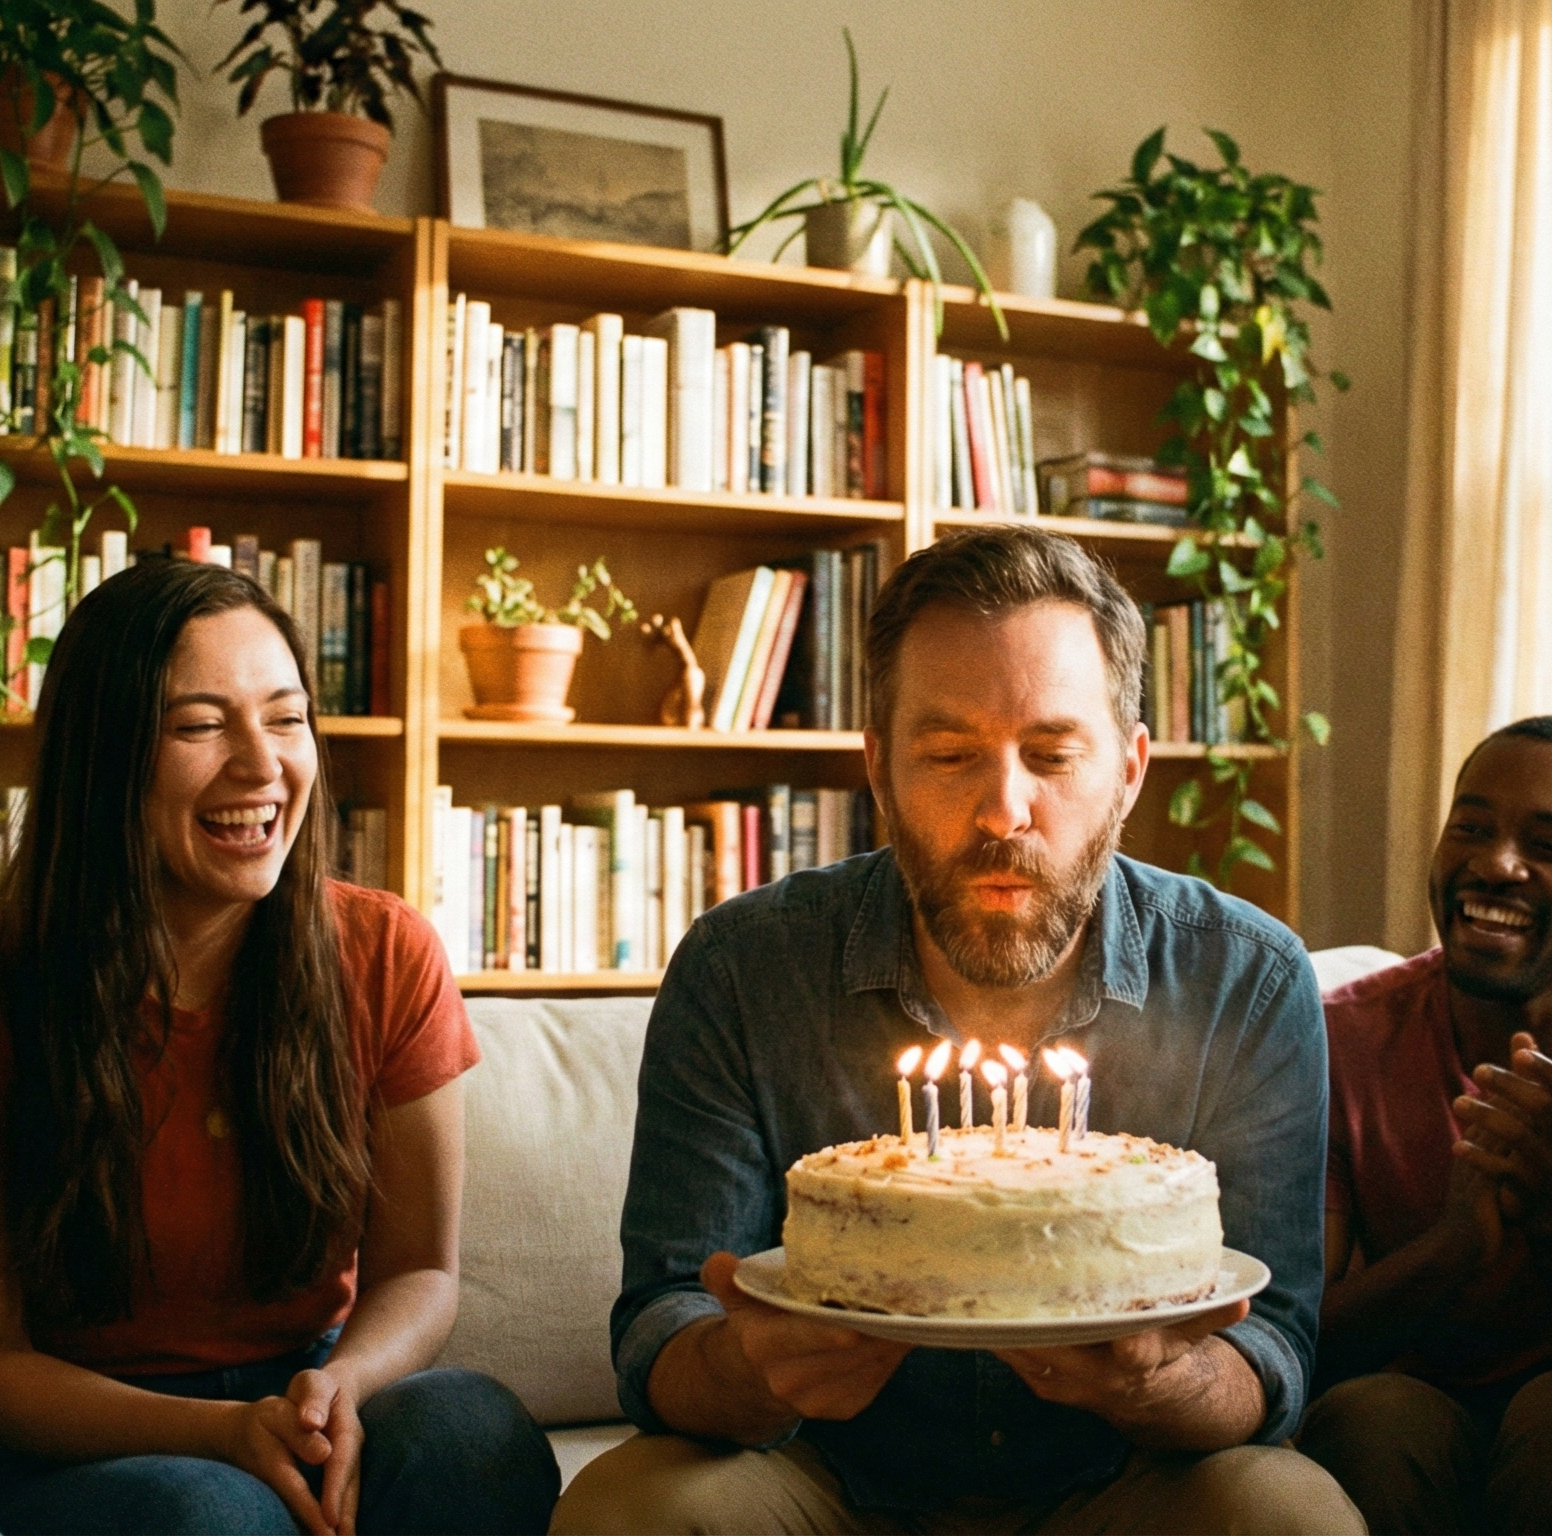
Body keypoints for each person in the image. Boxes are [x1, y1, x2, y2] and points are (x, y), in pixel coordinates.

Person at [550, 527, 1361, 1534]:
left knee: (1287, 1515)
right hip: (826, 1484)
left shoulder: (1244, 979)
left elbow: (1272, 1347)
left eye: (1053, 755)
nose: (1002, 810)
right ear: (878, 770)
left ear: (1129, 770)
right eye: (948, 755)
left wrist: (1155, 1384)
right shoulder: (741, 970)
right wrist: (750, 1369)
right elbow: (663, 1321)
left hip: (1123, 1488)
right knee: (629, 1509)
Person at [0, 559, 556, 1536]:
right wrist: (219, 1432)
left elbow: (419, 1272)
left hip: (302, 1382)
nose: (260, 765)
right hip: (77, 1437)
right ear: (102, 758)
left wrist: (338, 1389)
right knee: (212, 1511)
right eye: (199, 725)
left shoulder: (382, 951)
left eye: (285, 720)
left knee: (471, 1432)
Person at [1297, 716, 1552, 1533]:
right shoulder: (1338, 1039)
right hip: (1406, 1401)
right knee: (1376, 1417)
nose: (1494, 865)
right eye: (1471, 829)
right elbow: (1300, 1343)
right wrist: (1456, 1245)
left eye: (1550, 847)